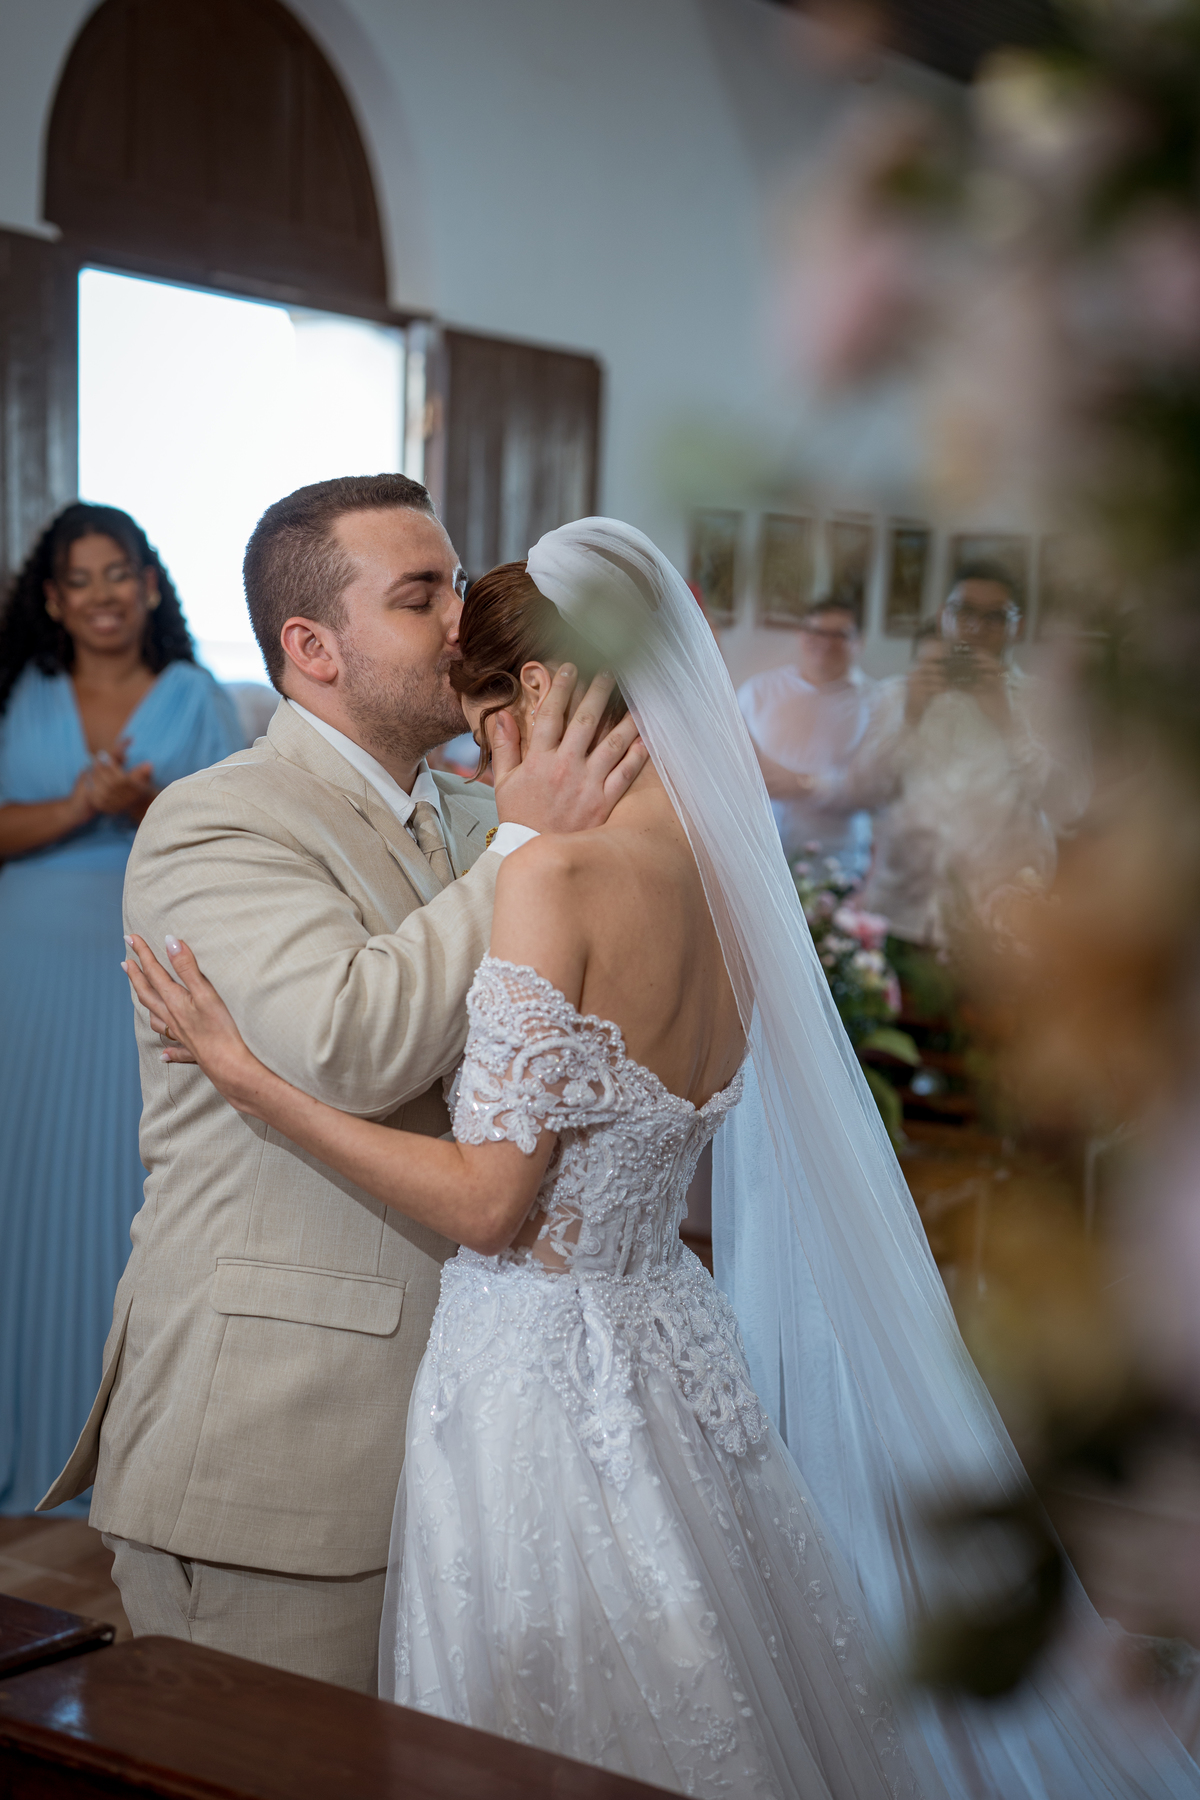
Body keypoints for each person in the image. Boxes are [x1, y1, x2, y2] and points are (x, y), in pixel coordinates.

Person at [121, 519, 1198, 1799]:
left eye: (484, 709)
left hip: (531, 1371)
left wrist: (249, 1080)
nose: (477, 745)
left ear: (535, 697)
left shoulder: (546, 867)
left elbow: (490, 1200)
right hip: (670, 1346)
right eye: (425, 594)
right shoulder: (731, 883)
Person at [39, 474, 646, 1697]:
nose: (466, 624)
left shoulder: (473, 818)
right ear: (312, 649)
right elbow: (354, 1043)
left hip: (471, 1434)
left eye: (461, 585)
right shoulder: (219, 825)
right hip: (276, 1449)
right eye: (423, 598)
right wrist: (526, 846)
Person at [0, 504, 239, 1519]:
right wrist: (79, 807)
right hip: (19, 983)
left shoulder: (197, 699)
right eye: (80, 579)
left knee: (123, 1192)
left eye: (118, 573)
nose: (102, 595)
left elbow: (234, 840)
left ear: (148, 583)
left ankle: (119, 1454)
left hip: (141, 977)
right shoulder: (17, 691)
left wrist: (144, 808)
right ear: (53, 599)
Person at [815, 563, 1091, 948]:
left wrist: (1010, 726)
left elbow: (1070, 806)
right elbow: (859, 792)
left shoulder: (1044, 704)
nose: (976, 627)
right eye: (963, 612)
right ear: (944, 616)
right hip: (897, 918)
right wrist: (909, 720)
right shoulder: (895, 696)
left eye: (995, 616)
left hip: (996, 931)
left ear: (1019, 625)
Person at [737, 597, 877, 875]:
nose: (825, 642)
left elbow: (876, 787)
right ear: (801, 635)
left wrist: (807, 785)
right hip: (760, 858)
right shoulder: (759, 691)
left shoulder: (876, 703)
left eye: (839, 634)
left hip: (836, 862)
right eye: (816, 631)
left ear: (858, 641)